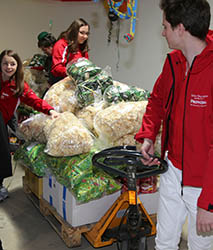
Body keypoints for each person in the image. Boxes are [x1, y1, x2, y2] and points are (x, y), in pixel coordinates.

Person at [135, 0, 213, 249]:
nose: (162, 32)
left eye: (165, 26)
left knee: (200, 246)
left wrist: (208, 203)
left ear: (181, 28)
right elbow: (157, 101)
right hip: (172, 170)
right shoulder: (173, 63)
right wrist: (148, 137)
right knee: (164, 241)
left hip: (203, 182)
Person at [0, 49, 59, 201]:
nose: (8, 67)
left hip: (3, 123)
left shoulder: (19, 85)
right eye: (5, 63)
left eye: (12, 64)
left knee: (2, 154)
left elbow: (34, 100)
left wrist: (50, 110)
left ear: (17, 66)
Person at [51, 18, 90, 84]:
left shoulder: (82, 46)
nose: (85, 36)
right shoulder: (62, 44)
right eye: (81, 33)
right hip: (62, 84)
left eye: (87, 33)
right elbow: (57, 68)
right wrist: (73, 72)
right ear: (74, 31)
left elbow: (86, 65)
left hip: (77, 83)